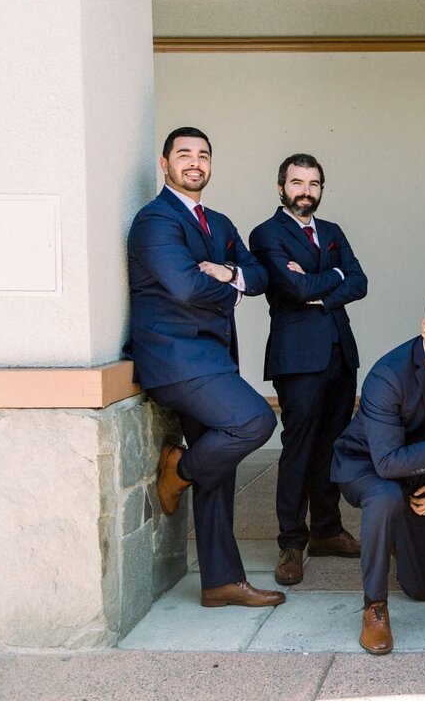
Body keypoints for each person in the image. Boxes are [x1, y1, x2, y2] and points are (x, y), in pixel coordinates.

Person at [128, 126, 283, 608]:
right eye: (184, 154)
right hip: (176, 359)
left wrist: (231, 272)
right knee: (256, 420)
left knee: (221, 470)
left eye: (203, 155)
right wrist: (231, 285)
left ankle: (220, 581)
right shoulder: (155, 220)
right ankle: (179, 468)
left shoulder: (217, 222)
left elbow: (261, 273)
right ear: (165, 163)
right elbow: (186, 288)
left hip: (210, 357)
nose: (194, 162)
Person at [330, 290, 425, 655]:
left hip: (419, 473)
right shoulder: (388, 375)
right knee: (384, 496)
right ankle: (374, 607)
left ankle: (395, 533)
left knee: (421, 588)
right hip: (366, 464)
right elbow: (386, 463)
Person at [249, 153, 368, 586]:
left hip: (340, 352)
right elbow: (293, 288)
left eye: (313, 183)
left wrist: (326, 281)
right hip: (297, 357)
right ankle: (291, 542)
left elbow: (360, 281)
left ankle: (327, 530)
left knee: (332, 445)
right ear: (281, 188)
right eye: (297, 183)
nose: (306, 191)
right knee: (299, 446)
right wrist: (330, 279)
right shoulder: (266, 234)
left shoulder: (332, 232)